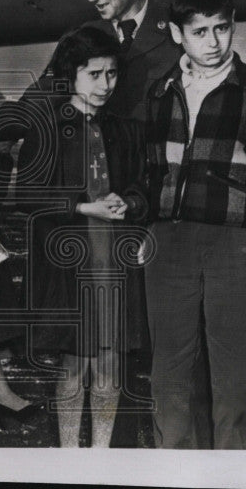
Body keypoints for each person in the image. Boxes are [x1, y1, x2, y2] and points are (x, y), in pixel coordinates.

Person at [143, 0, 246, 449]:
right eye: (200, 31)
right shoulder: (159, 91)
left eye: (222, 29)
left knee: (233, 376)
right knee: (169, 373)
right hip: (167, 245)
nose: (213, 42)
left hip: (234, 246)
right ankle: (177, 472)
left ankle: (232, 475)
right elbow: (148, 172)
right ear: (177, 34)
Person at [17, 27, 149, 448]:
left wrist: (130, 203)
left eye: (112, 74)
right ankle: (71, 455)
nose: (105, 85)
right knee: (74, 364)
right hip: (70, 267)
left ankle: (101, 455)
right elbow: (28, 195)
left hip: (114, 264)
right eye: (94, 74)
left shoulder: (125, 130)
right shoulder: (48, 127)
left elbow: (144, 186)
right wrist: (81, 206)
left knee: (110, 364)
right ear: (70, 75)